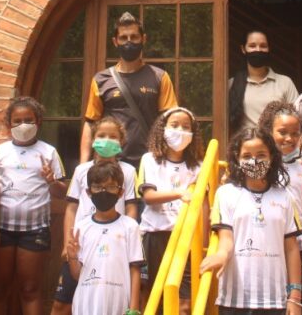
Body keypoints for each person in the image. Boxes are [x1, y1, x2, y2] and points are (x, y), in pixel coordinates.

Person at [199, 126, 302, 315]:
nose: (254, 160)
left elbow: (291, 248)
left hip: (275, 301)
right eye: (246, 156)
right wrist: (221, 255)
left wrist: (295, 296)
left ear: (272, 157)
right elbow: (226, 238)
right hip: (235, 298)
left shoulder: (285, 197)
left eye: (261, 154)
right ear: (237, 159)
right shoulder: (226, 194)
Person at [0, 97, 67, 315]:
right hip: (2, 229)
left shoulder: (48, 152)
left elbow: (62, 193)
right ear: (9, 124)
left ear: (38, 122)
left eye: (28, 120)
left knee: (30, 289)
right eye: (17, 121)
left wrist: (51, 179)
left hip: (35, 231)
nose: (23, 125)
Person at [52, 116, 138, 315]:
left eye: (113, 136)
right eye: (101, 135)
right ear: (92, 139)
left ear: (122, 141)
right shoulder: (81, 170)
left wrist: (130, 237)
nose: (107, 140)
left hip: (115, 242)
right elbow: (71, 208)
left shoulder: (129, 171)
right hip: (82, 242)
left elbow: (131, 206)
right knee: (61, 303)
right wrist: (67, 242)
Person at [81, 12, 178, 170]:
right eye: (123, 38)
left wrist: (171, 161)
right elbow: (91, 122)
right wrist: (84, 165)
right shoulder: (100, 80)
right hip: (110, 161)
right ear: (115, 41)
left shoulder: (160, 77)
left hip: (150, 161)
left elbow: (170, 121)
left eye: (134, 37)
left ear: (143, 39)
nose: (129, 42)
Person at [138, 107, 203, 313]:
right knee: (153, 297)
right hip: (156, 236)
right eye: (174, 125)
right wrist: (180, 194)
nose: (180, 131)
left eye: (186, 127)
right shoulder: (150, 159)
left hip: (186, 239)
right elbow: (149, 197)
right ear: (162, 129)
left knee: (184, 303)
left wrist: (205, 241)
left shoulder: (199, 166)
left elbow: (204, 207)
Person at [258, 101, 302, 311]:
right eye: (282, 132)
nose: (289, 138)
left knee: (295, 301)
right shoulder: (260, 167)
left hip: (298, 247)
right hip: (265, 245)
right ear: (268, 132)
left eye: (295, 133)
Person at [67, 160, 145, 315]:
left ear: (121, 192)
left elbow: (135, 269)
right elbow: (77, 275)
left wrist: (134, 309)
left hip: (119, 305)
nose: (104, 191)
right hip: (86, 305)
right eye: (97, 187)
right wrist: (73, 257)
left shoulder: (130, 226)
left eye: (110, 187)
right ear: (88, 192)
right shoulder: (81, 227)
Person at [228, 30, 299, 131]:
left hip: (276, 144)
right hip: (246, 144)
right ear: (243, 49)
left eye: (263, 46)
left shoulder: (285, 83)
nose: (258, 49)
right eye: (252, 46)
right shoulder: (232, 84)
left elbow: (296, 117)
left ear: (268, 48)